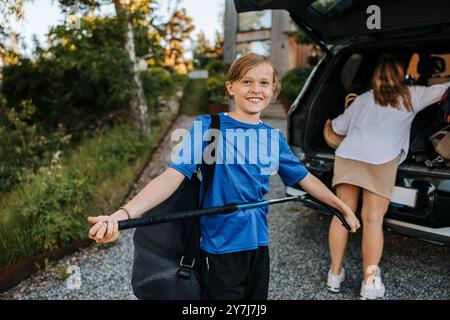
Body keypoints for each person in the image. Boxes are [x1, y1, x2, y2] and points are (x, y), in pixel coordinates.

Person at [88, 53, 360, 300]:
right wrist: (120, 216)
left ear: (274, 90)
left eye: (264, 83)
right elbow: (171, 177)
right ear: (231, 87)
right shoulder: (209, 127)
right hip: (219, 247)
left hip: (258, 245)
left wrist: (341, 207)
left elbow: (305, 179)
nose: (256, 89)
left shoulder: (272, 138)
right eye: (246, 82)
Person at [326, 56, 450, 299]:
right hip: (380, 159)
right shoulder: (412, 95)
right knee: (372, 220)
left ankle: (334, 274)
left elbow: (338, 128)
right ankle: (369, 283)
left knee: (342, 215)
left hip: (348, 155)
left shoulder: (362, 99)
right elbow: (445, 89)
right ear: (402, 74)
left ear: (375, 77)